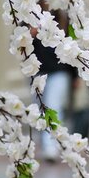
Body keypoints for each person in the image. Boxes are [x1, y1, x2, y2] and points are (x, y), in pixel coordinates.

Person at [32, 13, 74, 163]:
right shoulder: (31, 16)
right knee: (40, 110)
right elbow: (17, 43)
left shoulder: (63, 19)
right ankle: (48, 144)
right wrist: (31, 34)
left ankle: (51, 146)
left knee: (53, 107)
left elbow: (72, 49)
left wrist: (75, 76)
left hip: (59, 71)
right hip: (38, 71)